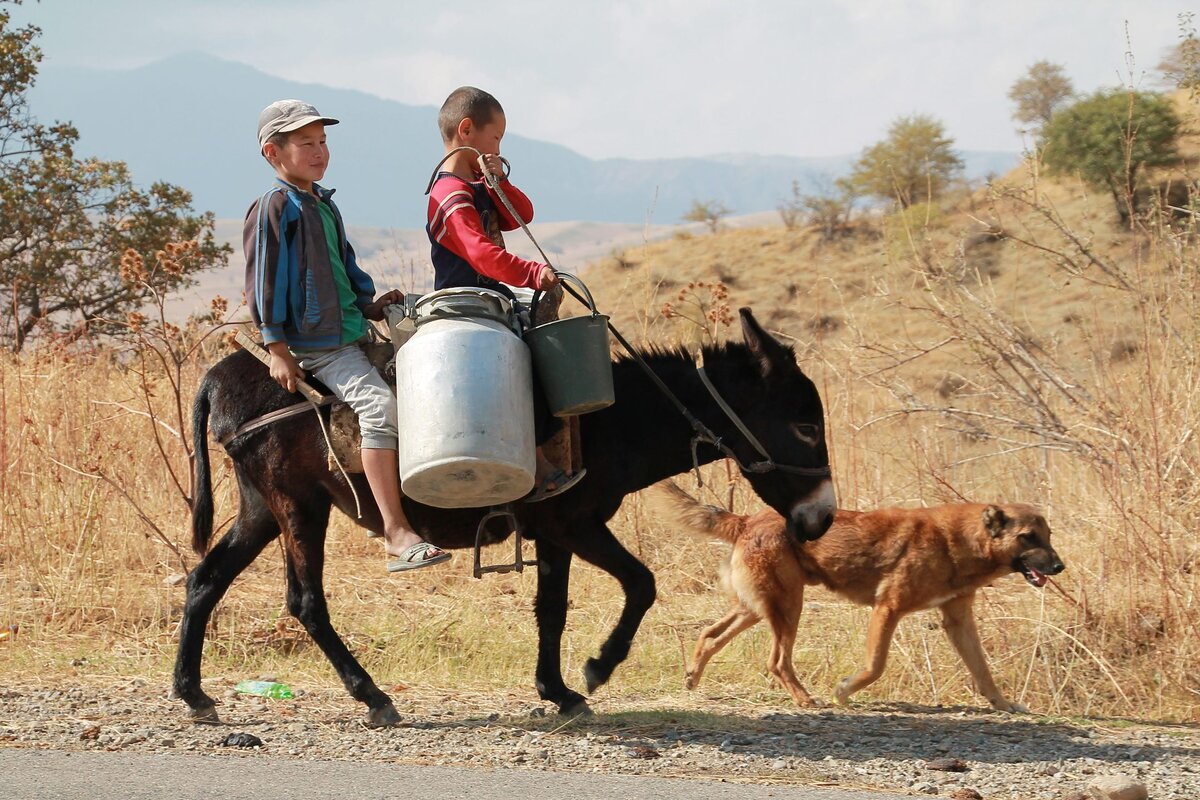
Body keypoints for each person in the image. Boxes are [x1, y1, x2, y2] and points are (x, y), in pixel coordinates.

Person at [246, 98, 450, 574]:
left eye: (323, 142)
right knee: (380, 408)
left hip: (352, 332)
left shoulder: (323, 204)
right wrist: (276, 348)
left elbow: (346, 269)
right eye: (305, 144)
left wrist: (370, 305)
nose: (319, 152)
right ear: (273, 153)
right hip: (319, 347)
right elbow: (264, 280)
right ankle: (396, 533)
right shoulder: (274, 207)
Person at [426, 86, 583, 502]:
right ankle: (534, 467)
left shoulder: (476, 184)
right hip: (466, 304)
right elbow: (481, 254)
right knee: (517, 363)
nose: (498, 146)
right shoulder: (449, 194)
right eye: (495, 138)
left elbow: (522, 215)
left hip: (490, 299)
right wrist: (533, 274)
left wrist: (497, 180)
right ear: (466, 130)